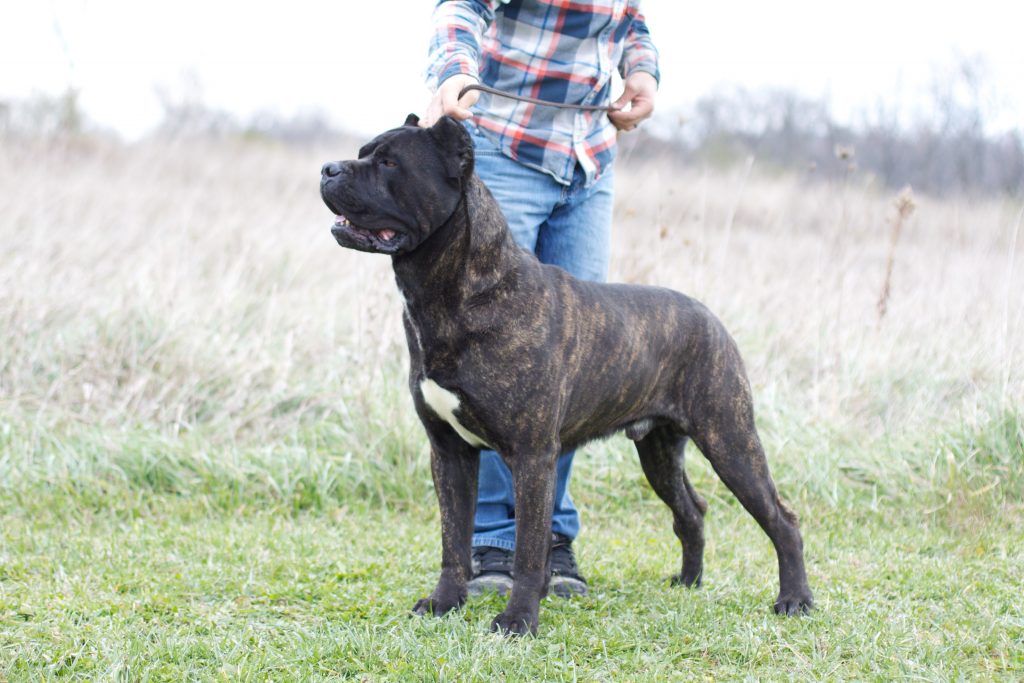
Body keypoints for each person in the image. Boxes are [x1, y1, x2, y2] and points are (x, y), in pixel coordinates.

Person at [423, 0, 659, 598]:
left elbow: (631, 20)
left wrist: (642, 73)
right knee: (495, 362)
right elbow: (463, 8)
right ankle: (496, 543)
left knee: (572, 364)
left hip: (590, 162)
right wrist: (453, 69)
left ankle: (549, 541)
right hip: (506, 149)